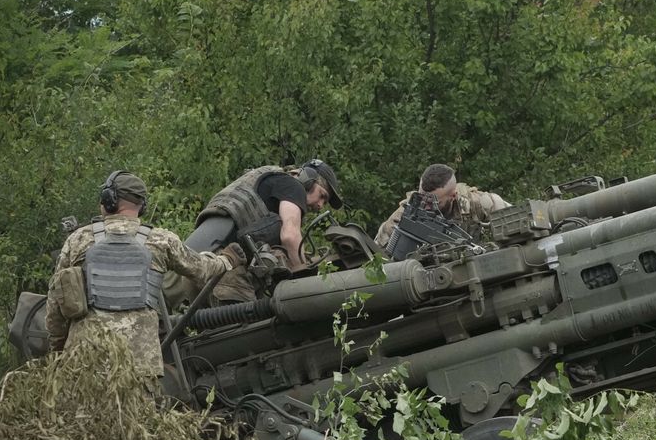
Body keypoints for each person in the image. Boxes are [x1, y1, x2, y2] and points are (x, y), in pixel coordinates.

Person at [45, 171, 245, 398]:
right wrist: (226, 260)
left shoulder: (78, 239)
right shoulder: (160, 240)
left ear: (108, 200)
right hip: (140, 364)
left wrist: (58, 351)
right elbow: (201, 269)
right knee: (139, 430)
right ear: (142, 206)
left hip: (85, 360)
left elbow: (56, 303)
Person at [193, 159, 344, 303]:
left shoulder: (268, 183)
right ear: (307, 179)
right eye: (322, 195)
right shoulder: (294, 186)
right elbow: (291, 237)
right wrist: (305, 280)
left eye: (325, 202)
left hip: (201, 268)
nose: (320, 205)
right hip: (227, 273)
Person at [374, 163, 509, 253]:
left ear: (453, 196)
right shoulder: (403, 217)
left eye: (433, 202)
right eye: (422, 196)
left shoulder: (476, 203)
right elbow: (377, 256)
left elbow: (517, 219)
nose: (425, 205)